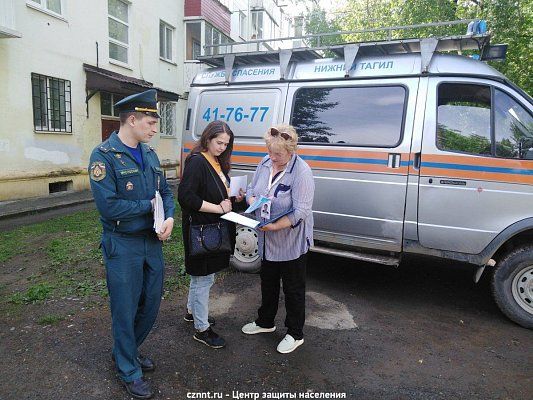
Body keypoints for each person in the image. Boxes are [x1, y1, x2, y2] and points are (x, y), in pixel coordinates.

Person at [88, 89, 175, 399]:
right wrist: (149, 207)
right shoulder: (104, 156)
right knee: (124, 309)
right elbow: (108, 207)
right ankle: (128, 367)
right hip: (122, 244)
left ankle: (125, 350)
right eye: (151, 122)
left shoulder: (150, 154)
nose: (155, 129)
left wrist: (169, 218)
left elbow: (165, 193)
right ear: (133, 120)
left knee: (150, 304)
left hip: (151, 242)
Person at [241, 124, 314, 354]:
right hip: (266, 236)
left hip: (290, 238)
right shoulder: (264, 162)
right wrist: (252, 200)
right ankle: (265, 322)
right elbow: (253, 189)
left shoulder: (302, 172)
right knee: (268, 281)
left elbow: (301, 211)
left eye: (278, 154)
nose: (272, 158)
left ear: (291, 151)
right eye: (269, 151)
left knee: (293, 288)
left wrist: (275, 226)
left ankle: (295, 333)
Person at [178, 120, 244, 349]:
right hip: (201, 230)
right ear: (207, 139)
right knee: (202, 278)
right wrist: (219, 208)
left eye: (226, 144)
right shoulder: (197, 162)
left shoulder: (217, 162)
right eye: (219, 142)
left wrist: (235, 197)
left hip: (213, 229)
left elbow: (219, 194)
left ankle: (191, 312)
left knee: (204, 276)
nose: (222, 147)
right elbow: (186, 197)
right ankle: (201, 328)